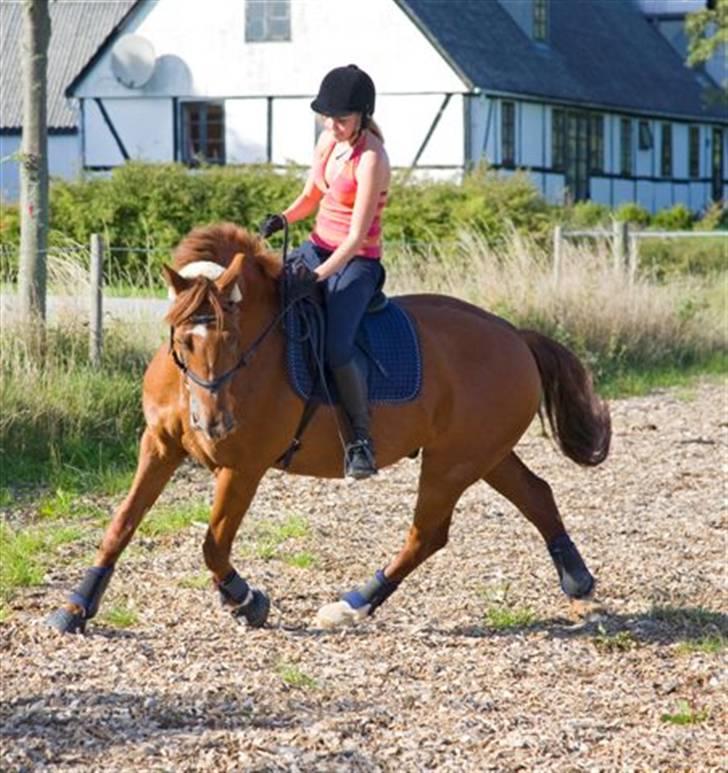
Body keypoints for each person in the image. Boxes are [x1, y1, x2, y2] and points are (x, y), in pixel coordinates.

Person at [260, 64, 390, 480]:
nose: (332, 125)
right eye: (327, 117)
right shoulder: (326, 142)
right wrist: (284, 217)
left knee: (337, 346)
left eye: (342, 119)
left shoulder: (371, 159)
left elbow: (354, 239)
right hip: (317, 246)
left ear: (363, 117)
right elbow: (311, 194)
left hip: (357, 263)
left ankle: (360, 441)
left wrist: (315, 278)